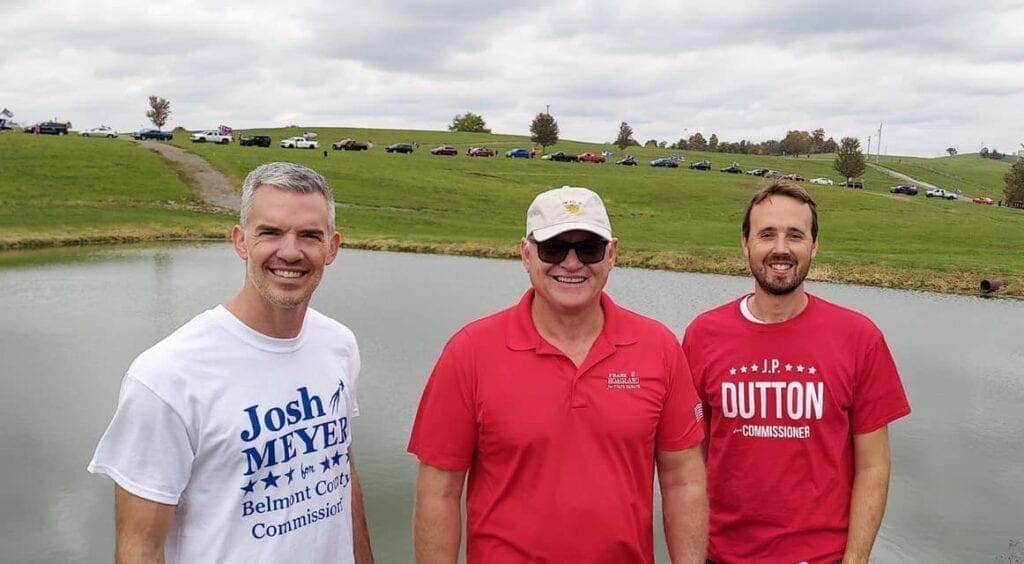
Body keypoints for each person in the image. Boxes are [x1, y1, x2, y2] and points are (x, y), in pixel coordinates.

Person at [88, 162, 374, 563]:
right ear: (241, 241)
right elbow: (140, 546)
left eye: (310, 235)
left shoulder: (339, 345)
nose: (290, 252)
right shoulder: (166, 376)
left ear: (332, 247)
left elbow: (340, 468)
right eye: (270, 232)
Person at [408, 186, 708, 563]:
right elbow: (438, 493)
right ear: (525, 253)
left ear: (612, 254)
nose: (571, 263)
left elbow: (684, 479)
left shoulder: (659, 347)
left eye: (589, 249)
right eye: (553, 248)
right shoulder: (469, 352)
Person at [680, 182, 911, 564]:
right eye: (767, 234)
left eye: (796, 235)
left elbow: (874, 464)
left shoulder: (859, 338)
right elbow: (689, 461)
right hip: (721, 555)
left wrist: (854, 560)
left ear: (814, 246)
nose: (781, 249)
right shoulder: (703, 335)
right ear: (745, 243)